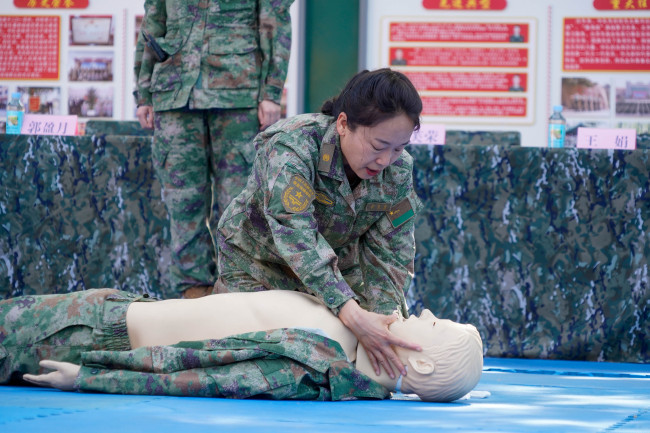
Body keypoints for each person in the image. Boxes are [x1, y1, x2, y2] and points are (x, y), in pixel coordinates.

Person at [214, 68, 424, 381]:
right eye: (379, 146)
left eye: (399, 148)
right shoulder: (293, 146)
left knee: (342, 360)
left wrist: (386, 324)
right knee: (265, 363)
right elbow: (296, 236)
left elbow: (390, 256)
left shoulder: (398, 171)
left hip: (332, 273)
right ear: (343, 124)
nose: (386, 161)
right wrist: (351, 312)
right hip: (258, 264)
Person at [0, 289, 484, 402]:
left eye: (434, 325)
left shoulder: (314, 366)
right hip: (109, 311)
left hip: (82, 337)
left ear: (417, 369)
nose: (423, 313)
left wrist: (89, 377)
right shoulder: (348, 336)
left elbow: (197, 375)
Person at [133, 0, 294, 298]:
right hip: (174, 93)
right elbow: (153, 23)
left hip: (238, 93)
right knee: (182, 204)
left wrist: (272, 91)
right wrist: (143, 92)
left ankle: (236, 293)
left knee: (239, 204)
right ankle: (192, 295)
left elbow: (274, 22)